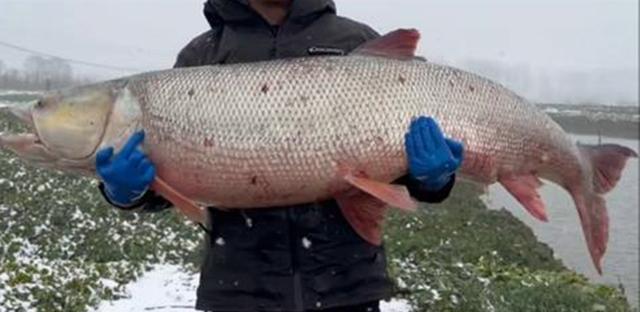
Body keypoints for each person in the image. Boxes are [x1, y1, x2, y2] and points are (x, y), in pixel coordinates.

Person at [95, 0, 464, 311]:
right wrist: (127, 192)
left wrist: (432, 179)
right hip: (238, 291)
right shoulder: (202, 55)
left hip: (348, 287)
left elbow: (400, 155)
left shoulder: (355, 40)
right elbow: (171, 182)